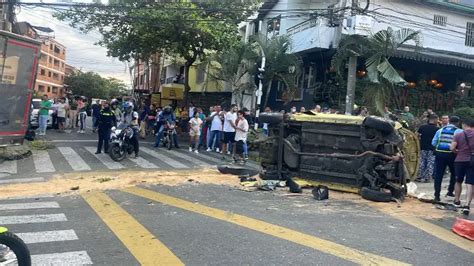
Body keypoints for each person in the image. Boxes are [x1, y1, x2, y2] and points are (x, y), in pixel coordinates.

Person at [432, 116, 463, 202]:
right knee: (454, 173)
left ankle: (437, 196)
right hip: (453, 154)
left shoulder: (440, 130)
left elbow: (433, 142)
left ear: (449, 121)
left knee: (438, 175)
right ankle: (450, 191)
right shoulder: (460, 131)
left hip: (440, 154)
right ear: (458, 122)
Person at [450, 118, 474, 215]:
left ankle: (457, 200)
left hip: (460, 160)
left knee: (458, 181)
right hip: (472, 160)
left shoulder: (458, 134)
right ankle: (467, 204)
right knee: (470, 183)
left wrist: (458, 152)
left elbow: (452, 148)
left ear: (464, 125)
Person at [416, 115, 439, 183]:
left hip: (422, 147)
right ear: (434, 120)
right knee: (430, 162)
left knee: (422, 161)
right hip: (432, 148)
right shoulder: (437, 129)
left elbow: (416, 135)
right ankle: (428, 177)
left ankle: (419, 176)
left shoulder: (422, 127)